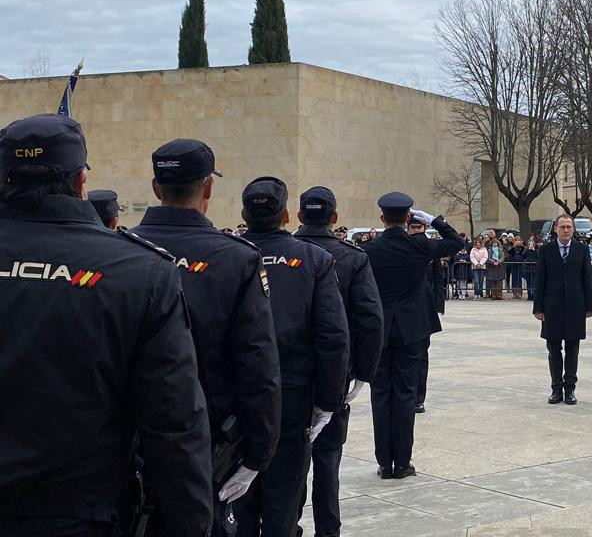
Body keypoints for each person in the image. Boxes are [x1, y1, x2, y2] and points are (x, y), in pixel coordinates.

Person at [0, 114, 212, 536]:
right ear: (81, 182)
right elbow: (172, 423)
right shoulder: (139, 272)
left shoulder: (141, 272)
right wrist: (191, 523)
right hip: (81, 516)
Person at [133, 139, 283, 534]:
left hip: (127, 436)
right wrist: (259, 452)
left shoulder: (119, 250)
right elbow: (257, 363)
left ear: (155, 188)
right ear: (208, 188)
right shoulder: (236, 257)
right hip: (206, 438)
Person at [235, 177, 349, 537]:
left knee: (236, 496)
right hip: (293, 393)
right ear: (286, 214)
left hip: (236, 393)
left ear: (243, 214)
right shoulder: (314, 259)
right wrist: (328, 402)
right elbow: (332, 335)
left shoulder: (227, 253)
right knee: (284, 493)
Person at [293, 186, 384, 537]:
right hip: (334, 373)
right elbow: (371, 319)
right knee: (327, 459)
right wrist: (363, 372)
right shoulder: (352, 257)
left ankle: (290, 524)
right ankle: (327, 529)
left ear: (300, 216)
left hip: (288, 372)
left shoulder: (281, 251)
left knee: (290, 458)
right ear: (334, 218)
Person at [361, 192, 461, 478]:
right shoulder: (419, 245)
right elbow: (456, 242)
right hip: (411, 329)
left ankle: (384, 462)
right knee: (405, 394)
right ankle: (402, 462)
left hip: (380, 329)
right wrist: (434, 220)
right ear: (408, 218)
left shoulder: (369, 249)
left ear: (382, 218)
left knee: (381, 394)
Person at [533, 214, 592, 405]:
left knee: (573, 349)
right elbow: (540, 280)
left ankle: (570, 389)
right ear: (556, 229)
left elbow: (586, 278)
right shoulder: (546, 250)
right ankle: (556, 389)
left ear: (573, 230)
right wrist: (538, 308)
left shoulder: (581, 249)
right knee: (553, 349)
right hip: (552, 307)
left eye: (569, 227)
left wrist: (589, 306)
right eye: (562, 227)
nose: (566, 230)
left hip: (576, 306)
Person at [408, 219, 446, 414]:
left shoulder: (431, 251)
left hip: (425, 309)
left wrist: (439, 309)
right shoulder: (403, 248)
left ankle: (418, 398)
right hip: (405, 309)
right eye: (413, 227)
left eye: (419, 227)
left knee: (422, 356)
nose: (416, 230)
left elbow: (439, 281)